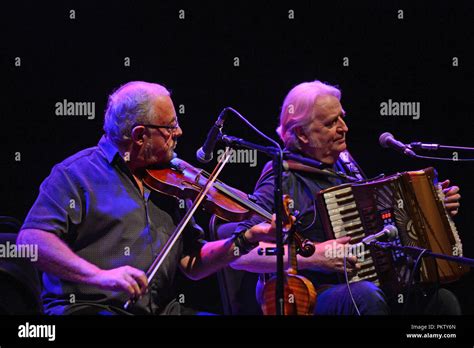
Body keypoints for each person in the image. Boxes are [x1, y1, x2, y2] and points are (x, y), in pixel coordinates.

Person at [17, 81, 276, 315]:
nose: (180, 132)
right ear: (140, 135)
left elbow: (192, 262)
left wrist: (246, 238)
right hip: (90, 308)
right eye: (170, 126)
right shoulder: (76, 174)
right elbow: (31, 241)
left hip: (162, 310)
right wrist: (100, 276)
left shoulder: (175, 181)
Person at [230, 80, 462, 315]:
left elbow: (385, 221)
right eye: (331, 123)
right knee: (365, 297)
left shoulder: (345, 165)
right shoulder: (281, 178)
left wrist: (433, 209)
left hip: (368, 286)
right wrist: (313, 257)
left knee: (442, 301)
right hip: (310, 295)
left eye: (341, 117)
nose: (344, 128)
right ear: (302, 134)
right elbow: (240, 255)